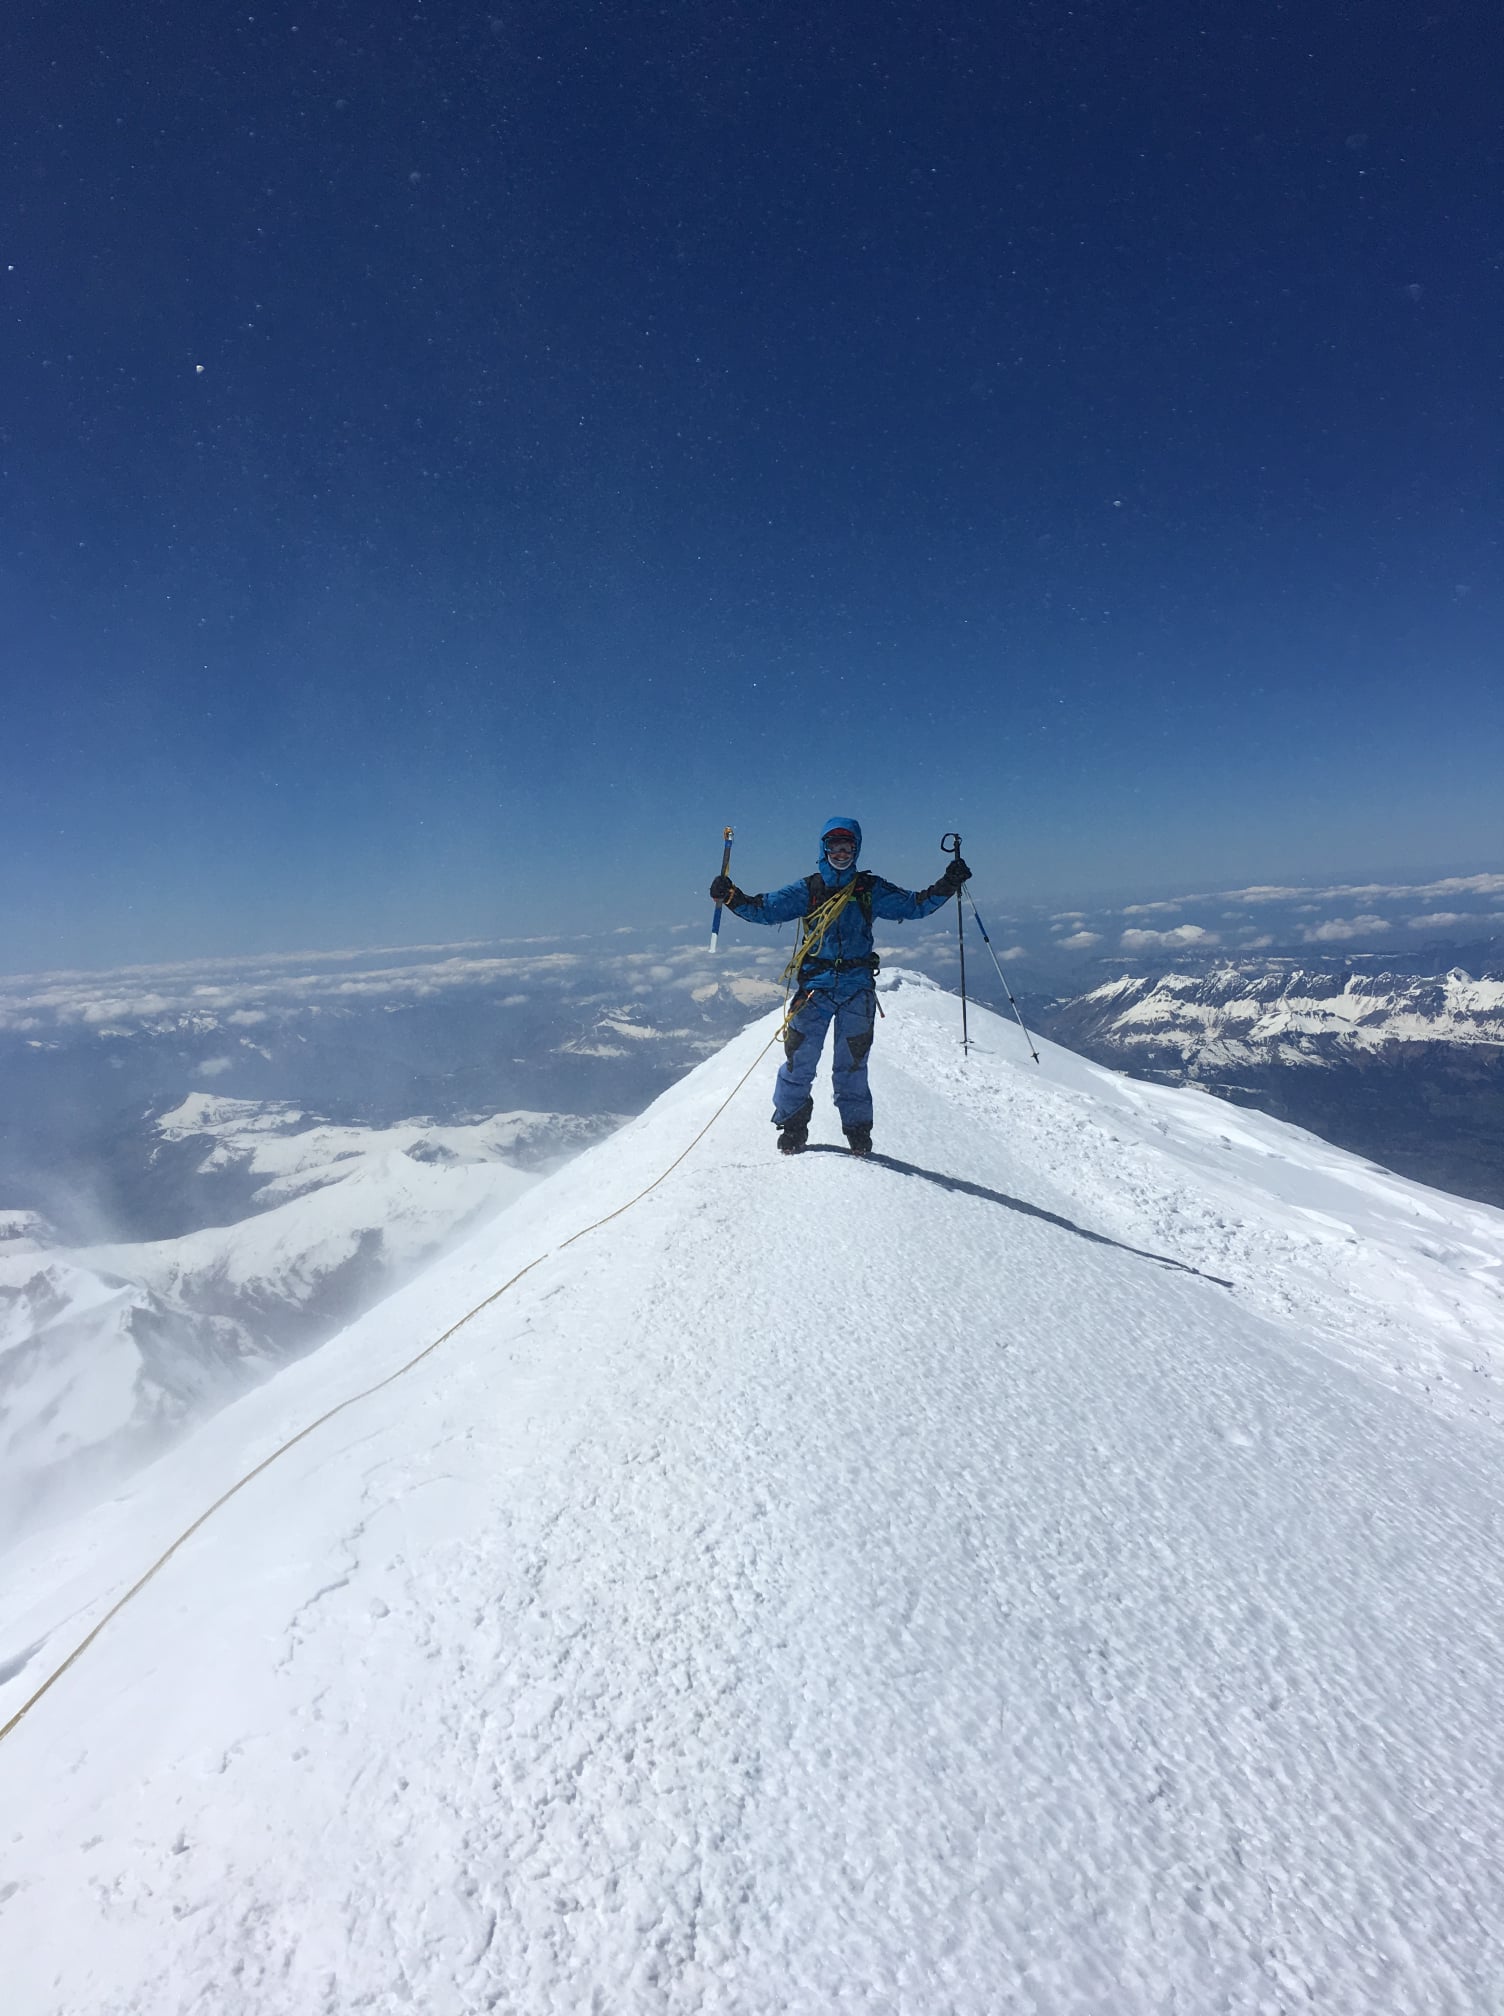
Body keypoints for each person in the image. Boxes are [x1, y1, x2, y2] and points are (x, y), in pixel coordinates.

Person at [709, 816, 970, 1155]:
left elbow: (915, 904)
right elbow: (765, 910)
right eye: (835, 845)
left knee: (852, 1064)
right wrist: (731, 896)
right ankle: (793, 1124)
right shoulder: (809, 890)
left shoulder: (868, 889)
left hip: (855, 989)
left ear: (856, 849)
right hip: (817, 988)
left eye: (848, 846)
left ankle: (857, 1129)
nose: (841, 853)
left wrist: (948, 883)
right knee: (798, 1059)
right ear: (824, 848)